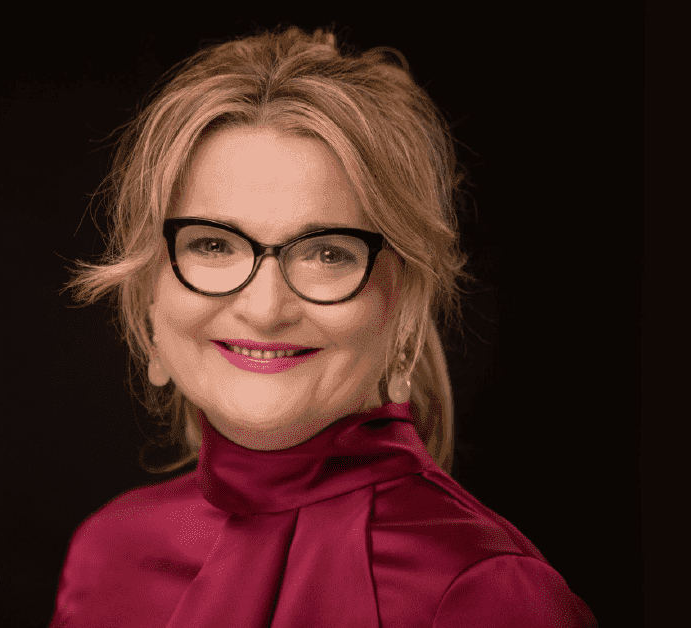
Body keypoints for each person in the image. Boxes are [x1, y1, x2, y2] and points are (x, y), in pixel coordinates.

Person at [52, 25, 597, 627]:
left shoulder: (492, 594)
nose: (264, 308)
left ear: (405, 304)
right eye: (212, 244)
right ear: (149, 292)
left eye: (327, 253)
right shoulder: (108, 556)